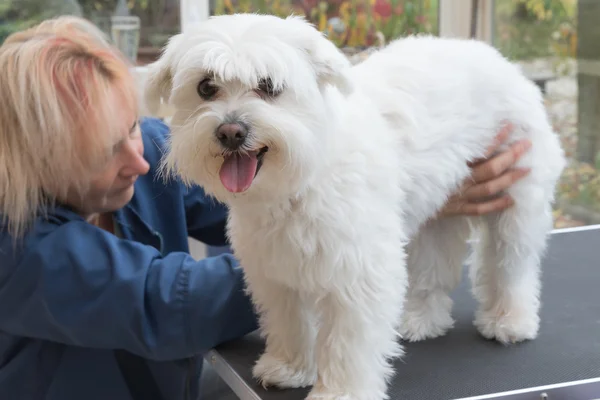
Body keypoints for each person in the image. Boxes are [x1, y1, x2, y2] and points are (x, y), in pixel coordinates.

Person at [0, 16, 532, 400]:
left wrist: (398, 196)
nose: (140, 161)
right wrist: (353, 244)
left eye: (133, 128)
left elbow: (261, 201)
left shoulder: (152, 151)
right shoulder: (18, 250)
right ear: (37, 163)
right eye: (105, 151)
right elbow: (168, 306)